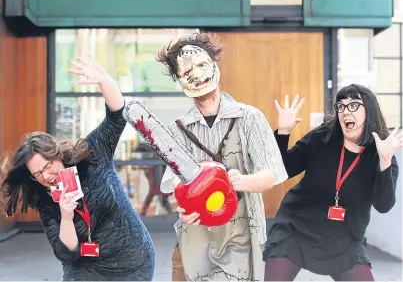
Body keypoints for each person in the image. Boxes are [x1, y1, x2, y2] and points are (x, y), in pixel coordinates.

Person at [1, 58, 155, 281]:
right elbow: (68, 254)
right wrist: (65, 216)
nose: (46, 176)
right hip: (86, 269)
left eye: (47, 166)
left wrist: (105, 81)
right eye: (38, 174)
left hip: (133, 261)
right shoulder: (46, 200)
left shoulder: (91, 155)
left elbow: (117, 116)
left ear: (56, 154)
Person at [156, 33, 289, 281]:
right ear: (179, 80)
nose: (196, 73)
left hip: (241, 238)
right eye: (186, 71)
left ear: (214, 65)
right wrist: (183, 205)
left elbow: (269, 174)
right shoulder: (178, 128)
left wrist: (243, 182)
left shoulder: (250, 118)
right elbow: (175, 180)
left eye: (201, 64)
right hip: (195, 239)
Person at [263, 84, 401, 281]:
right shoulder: (322, 138)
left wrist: (385, 162)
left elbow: (383, 204)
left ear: (368, 111)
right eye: (341, 106)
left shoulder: (380, 154)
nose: (346, 111)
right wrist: (283, 132)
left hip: (345, 240)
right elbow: (283, 170)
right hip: (296, 229)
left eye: (353, 105)